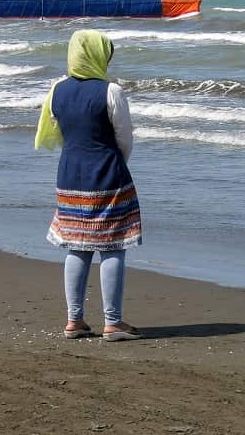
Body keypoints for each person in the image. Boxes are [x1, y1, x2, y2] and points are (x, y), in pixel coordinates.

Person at [35, 30, 143, 341]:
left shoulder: (56, 90)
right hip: (107, 173)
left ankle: (74, 320)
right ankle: (113, 321)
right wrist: (114, 164)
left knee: (77, 245)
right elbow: (125, 139)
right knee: (113, 245)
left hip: (69, 174)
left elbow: (60, 128)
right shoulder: (111, 91)